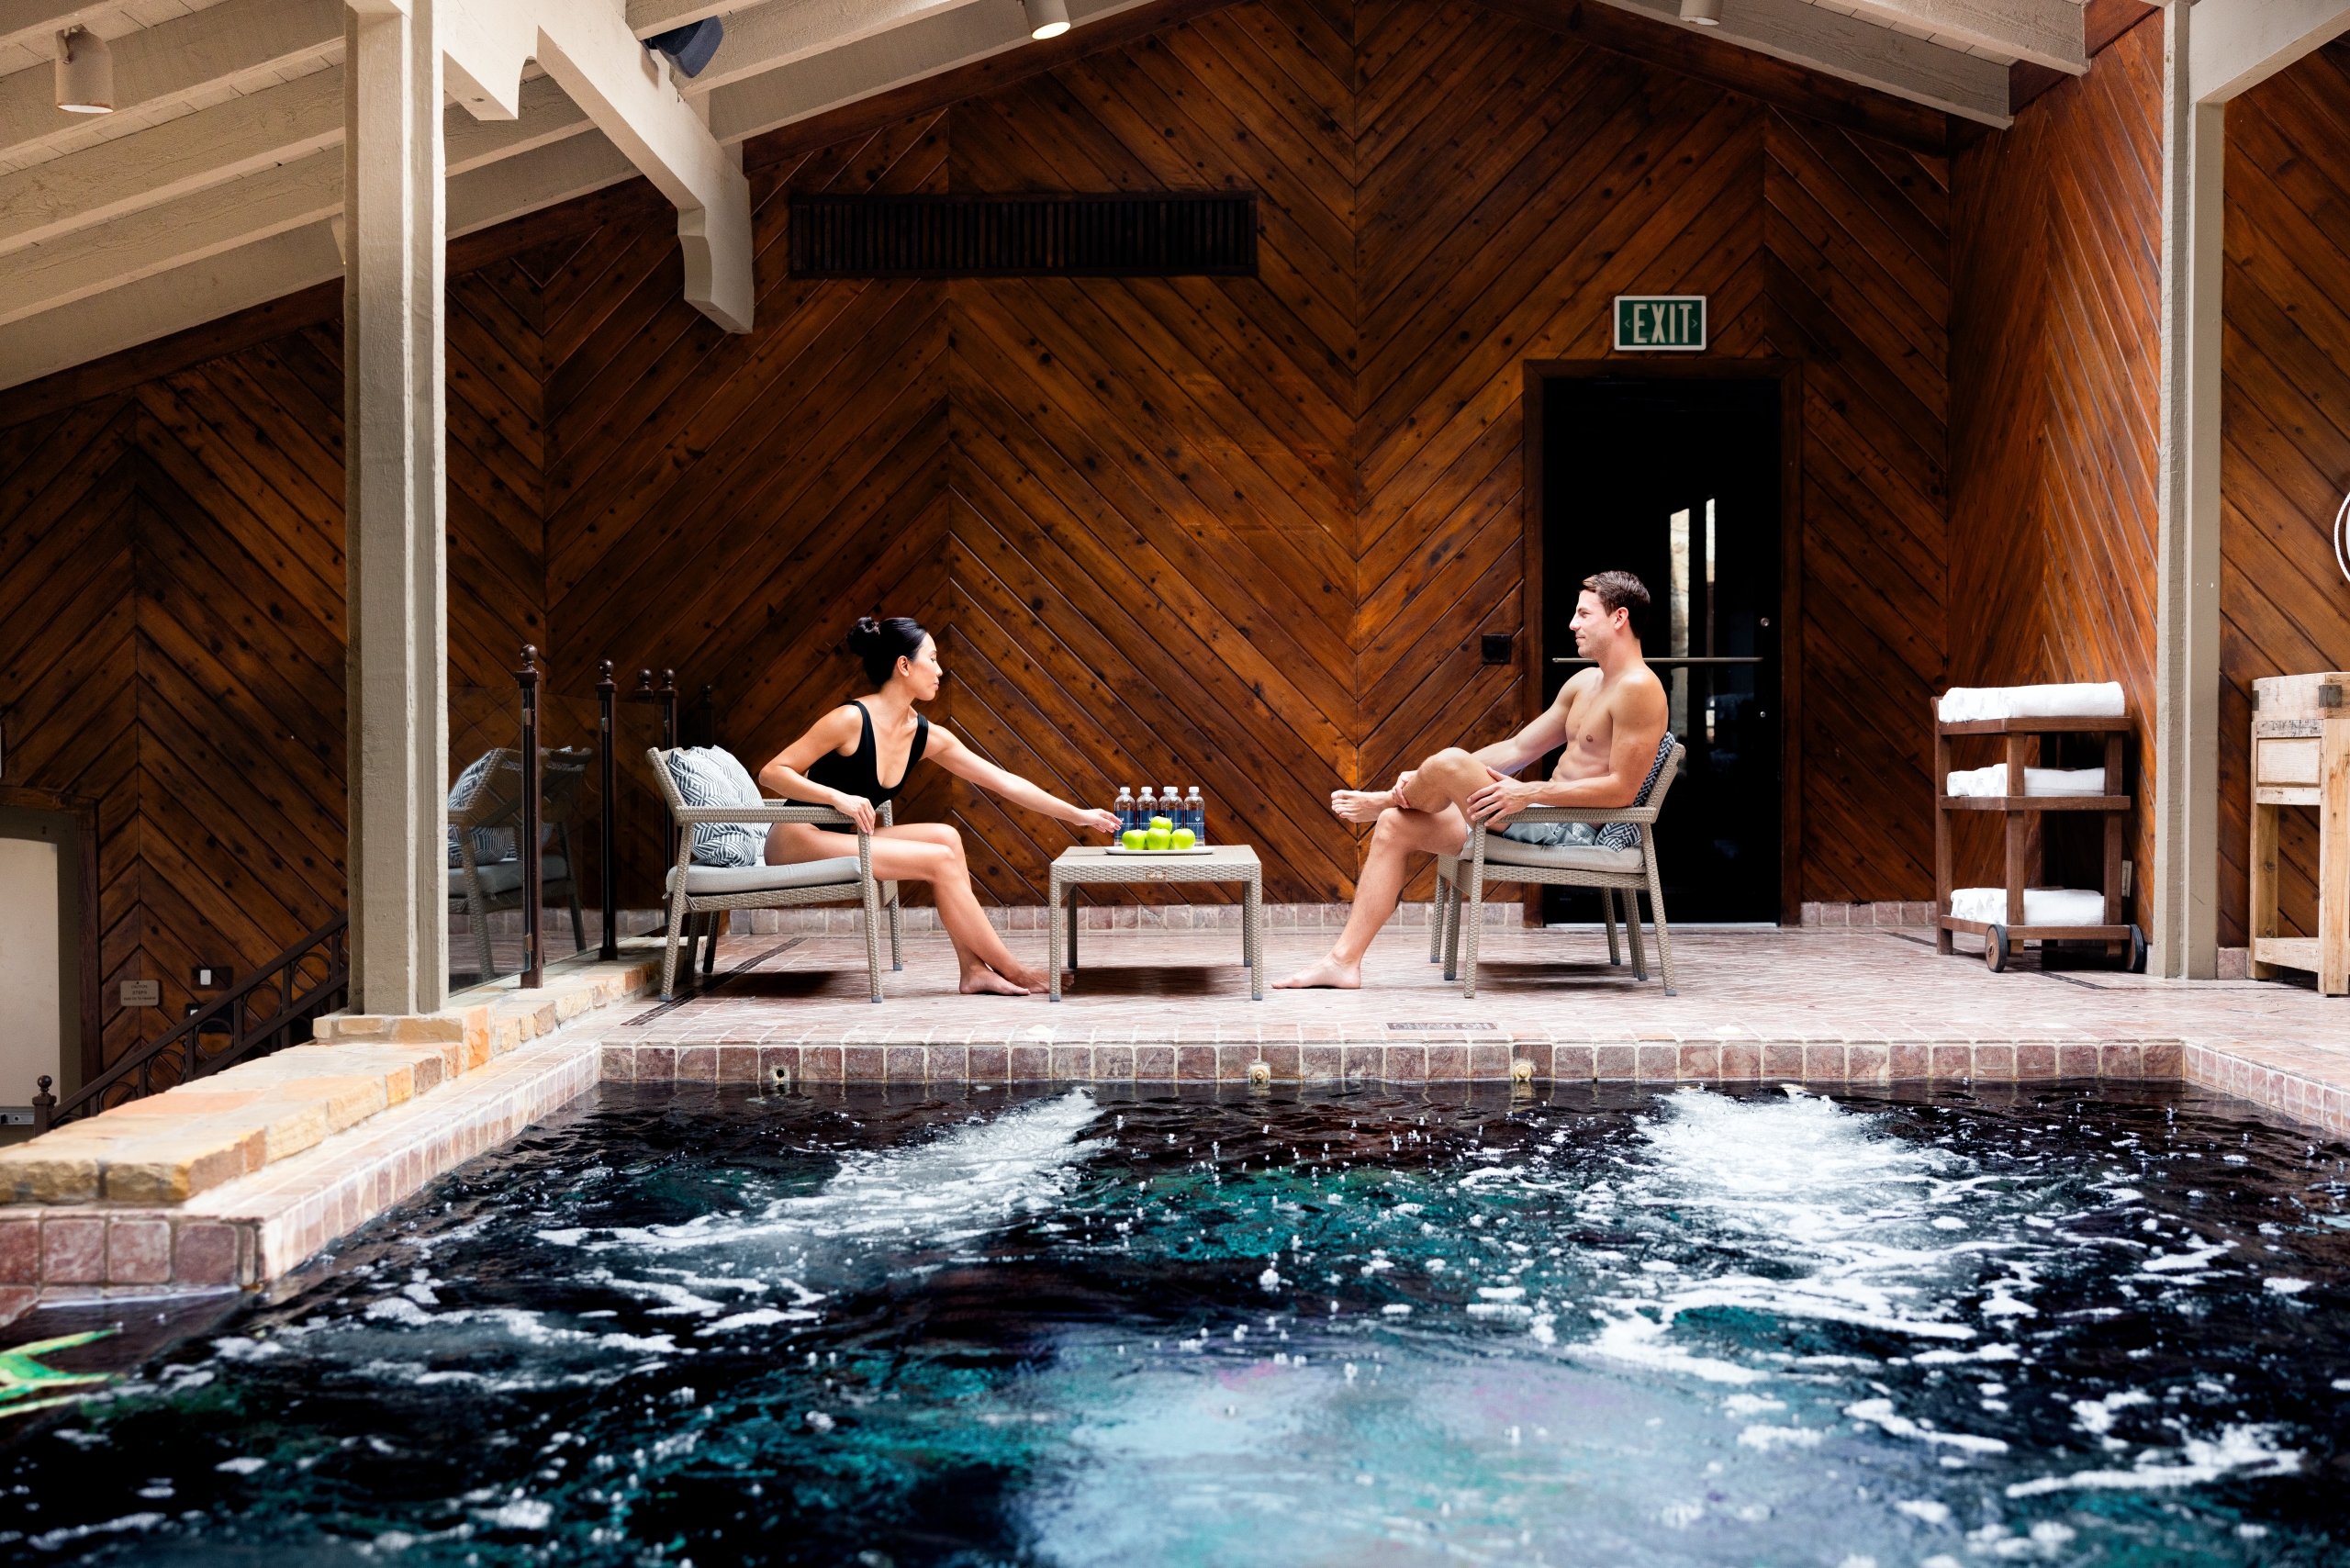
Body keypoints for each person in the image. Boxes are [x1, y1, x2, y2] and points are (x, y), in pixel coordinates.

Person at [1275, 570, 1672, 990]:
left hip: (1568, 827)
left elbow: (1622, 790)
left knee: (1446, 764)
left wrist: (1527, 791)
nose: (1573, 624)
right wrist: (1448, 776)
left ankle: (1386, 799)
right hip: (1535, 814)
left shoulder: (1640, 688)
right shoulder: (1585, 682)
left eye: (1583, 613)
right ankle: (1343, 962)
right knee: (1397, 824)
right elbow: (1519, 749)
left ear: (1619, 617)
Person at [759, 616, 1120, 995]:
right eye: (931, 659)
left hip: (841, 839)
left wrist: (1079, 815)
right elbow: (772, 772)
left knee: (946, 838)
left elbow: (1004, 781)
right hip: (794, 840)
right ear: (904, 665)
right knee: (938, 861)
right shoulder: (851, 719)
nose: (939, 670)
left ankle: (973, 971)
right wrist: (836, 797)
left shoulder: (923, 734)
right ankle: (1014, 970)